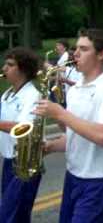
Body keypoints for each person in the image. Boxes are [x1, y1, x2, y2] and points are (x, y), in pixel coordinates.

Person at [35, 29, 103, 223]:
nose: (75, 53)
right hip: (73, 177)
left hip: (100, 181)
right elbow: (75, 134)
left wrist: (60, 113)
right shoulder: (75, 90)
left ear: (101, 54)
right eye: (76, 48)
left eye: (83, 49)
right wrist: (50, 146)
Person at [0, 47, 42, 223]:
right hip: (10, 161)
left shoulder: (33, 96)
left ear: (23, 69)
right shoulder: (7, 94)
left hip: (25, 164)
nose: (4, 68)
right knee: (17, 216)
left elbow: (23, 127)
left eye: (10, 65)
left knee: (9, 217)